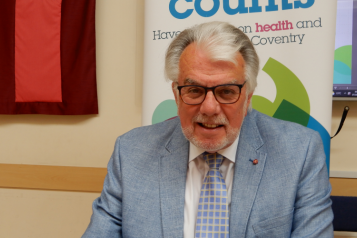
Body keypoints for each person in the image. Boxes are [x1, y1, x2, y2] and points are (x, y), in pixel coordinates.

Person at [82, 21, 333, 238]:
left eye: (226, 92)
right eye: (194, 90)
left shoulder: (300, 152)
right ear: (176, 95)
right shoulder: (131, 152)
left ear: (248, 97)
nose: (210, 108)